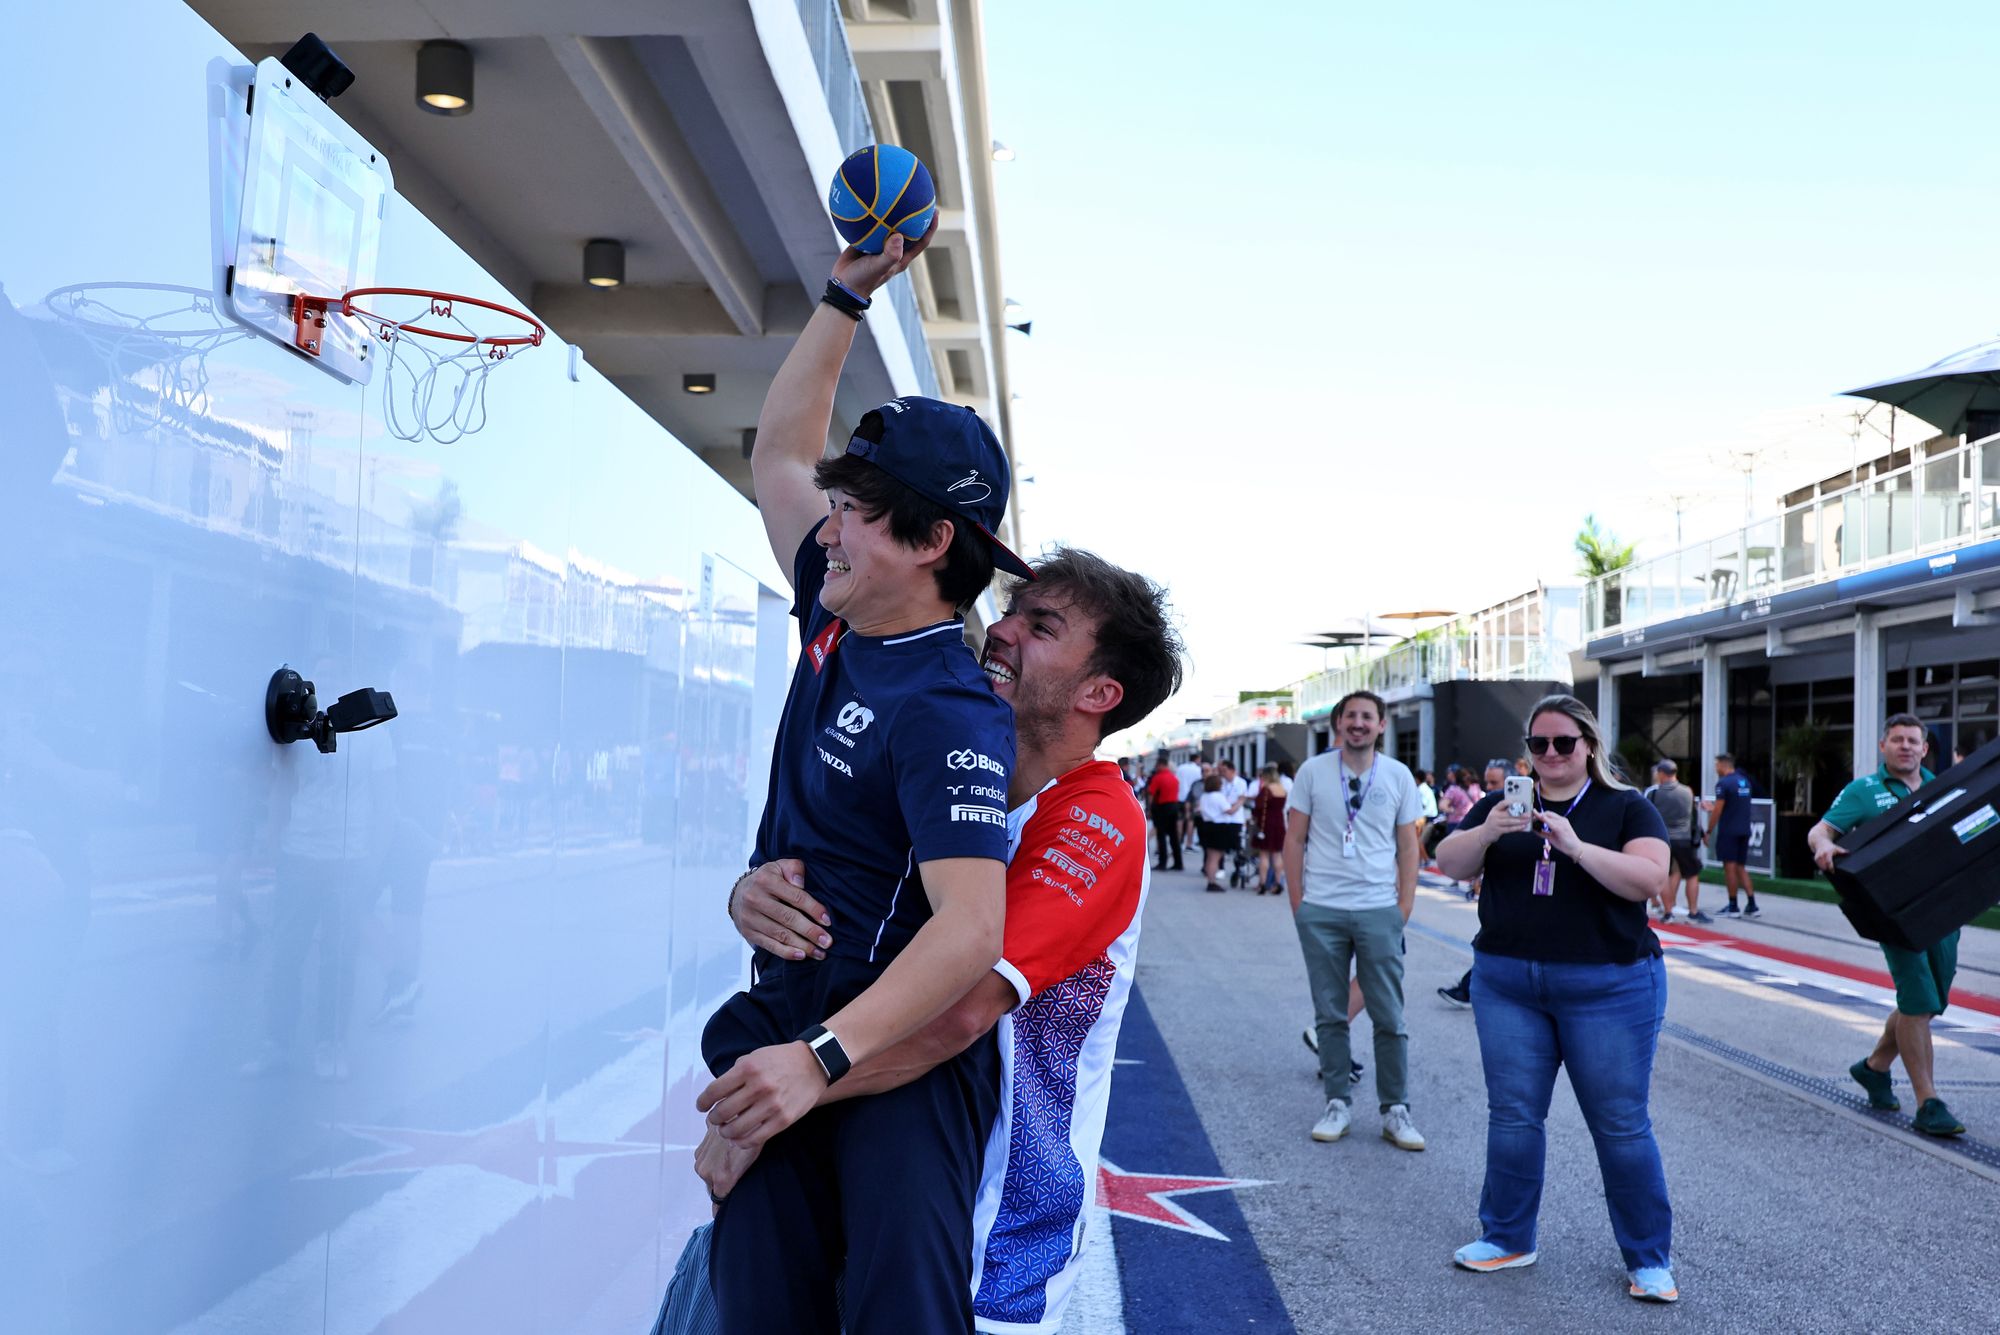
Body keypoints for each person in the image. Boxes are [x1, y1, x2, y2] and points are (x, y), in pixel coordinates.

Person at [707, 548, 1187, 1333]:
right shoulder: (952, 766)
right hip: (868, 1166)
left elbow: (957, 1012)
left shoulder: (1100, 818)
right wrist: (750, 890)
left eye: (1041, 626)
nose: (1000, 631)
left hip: (996, 1228)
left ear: (1100, 693)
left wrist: (770, 1102)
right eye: (1011, 611)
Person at [693, 221, 1023, 1333]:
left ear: (930, 542)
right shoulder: (836, 616)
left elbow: (972, 928)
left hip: (891, 1073)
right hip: (787, 1030)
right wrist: (844, 293)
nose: (824, 526)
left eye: (854, 510)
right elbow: (779, 457)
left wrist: (818, 1063)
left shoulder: (947, 706)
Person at [1434, 693, 1678, 1303]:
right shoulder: (1501, 804)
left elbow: (1650, 879)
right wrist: (1487, 831)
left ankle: (1649, 1257)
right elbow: (1448, 862)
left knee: (1619, 1125)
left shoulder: (1627, 807)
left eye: (1563, 742)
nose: (1550, 753)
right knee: (1513, 1116)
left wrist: (1575, 847)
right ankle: (1507, 1236)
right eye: (1538, 743)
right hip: (1509, 983)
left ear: (1588, 745)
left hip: (1609, 986)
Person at [1808, 713, 1966, 1138]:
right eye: (1897, 740)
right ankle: (1928, 1102)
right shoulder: (1864, 791)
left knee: (1931, 1000)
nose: (1905, 747)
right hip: (1891, 911)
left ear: (1925, 748)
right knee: (1917, 1000)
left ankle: (1875, 1067)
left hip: (1941, 909)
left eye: (1913, 741)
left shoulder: (1941, 787)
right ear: (1883, 746)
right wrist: (1824, 847)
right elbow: (1820, 830)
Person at [1285, 690, 1425, 1151]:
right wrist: (1300, 904)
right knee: (1330, 1015)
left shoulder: (1398, 775)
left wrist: (1404, 907)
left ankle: (1395, 1110)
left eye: (1367, 716)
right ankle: (1337, 1103)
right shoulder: (1312, 772)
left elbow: (1408, 846)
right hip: (1322, 909)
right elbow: (1294, 840)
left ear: (1382, 724)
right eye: (1351, 716)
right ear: (1338, 723)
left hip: (1378, 908)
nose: (1358, 723)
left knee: (1389, 1016)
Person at [1646, 760, 1707, 923]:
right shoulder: (1687, 791)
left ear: (1661, 773)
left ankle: (1668, 912)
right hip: (1683, 839)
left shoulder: (1654, 794)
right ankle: (1693, 911)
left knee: (1664, 875)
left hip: (1662, 839)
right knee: (1692, 874)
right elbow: (1694, 816)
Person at [1704, 753, 1760, 919]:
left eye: (1716, 765)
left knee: (1729, 867)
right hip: (1744, 829)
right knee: (1740, 867)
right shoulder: (1744, 781)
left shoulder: (1723, 783)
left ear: (1723, 765)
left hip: (1729, 831)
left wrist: (1708, 830)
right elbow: (1733, 805)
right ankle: (1752, 904)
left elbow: (1719, 810)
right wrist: (1714, 808)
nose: (1715, 768)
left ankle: (1733, 905)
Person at [1251, 763, 1289, 894]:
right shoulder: (1282, 790)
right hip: (1279, 823)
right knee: (1277, 855)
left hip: (1266, 824)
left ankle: (1262, 883)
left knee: (1264, 855)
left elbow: (1258, 807)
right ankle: (1278, 883)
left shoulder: (1266, 790)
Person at [1196, 773, 1236, 892]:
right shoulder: (1219, 796)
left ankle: (1210, 878)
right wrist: (1239, 802)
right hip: (1219, 827)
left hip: (1207, 825)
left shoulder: (1204, 796)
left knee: (1210, 856)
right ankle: (1212, 881)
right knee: (1215, 857)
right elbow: (1229, 811)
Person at [1146, 752, 1184, 872]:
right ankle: (1178, 862)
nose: (1156, 768)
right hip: (1174, 807)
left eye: (1157, 765)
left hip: (1162, 808)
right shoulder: (1174, 778)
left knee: (1161, 835)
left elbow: (1151, 794)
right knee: (1173, 836)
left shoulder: (1158, 777)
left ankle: (1162, 862)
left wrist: (1149, 809)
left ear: (1161, 765)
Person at [1174, 753, 1203, 853]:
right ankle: (1188, 844)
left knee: (1180, 821)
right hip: (1191, 798)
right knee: (1190, 821)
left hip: (1179, 796)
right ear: (1197, 759)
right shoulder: (1198, 770)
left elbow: (1176, 780)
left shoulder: (1181, 768)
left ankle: (1178, 842)